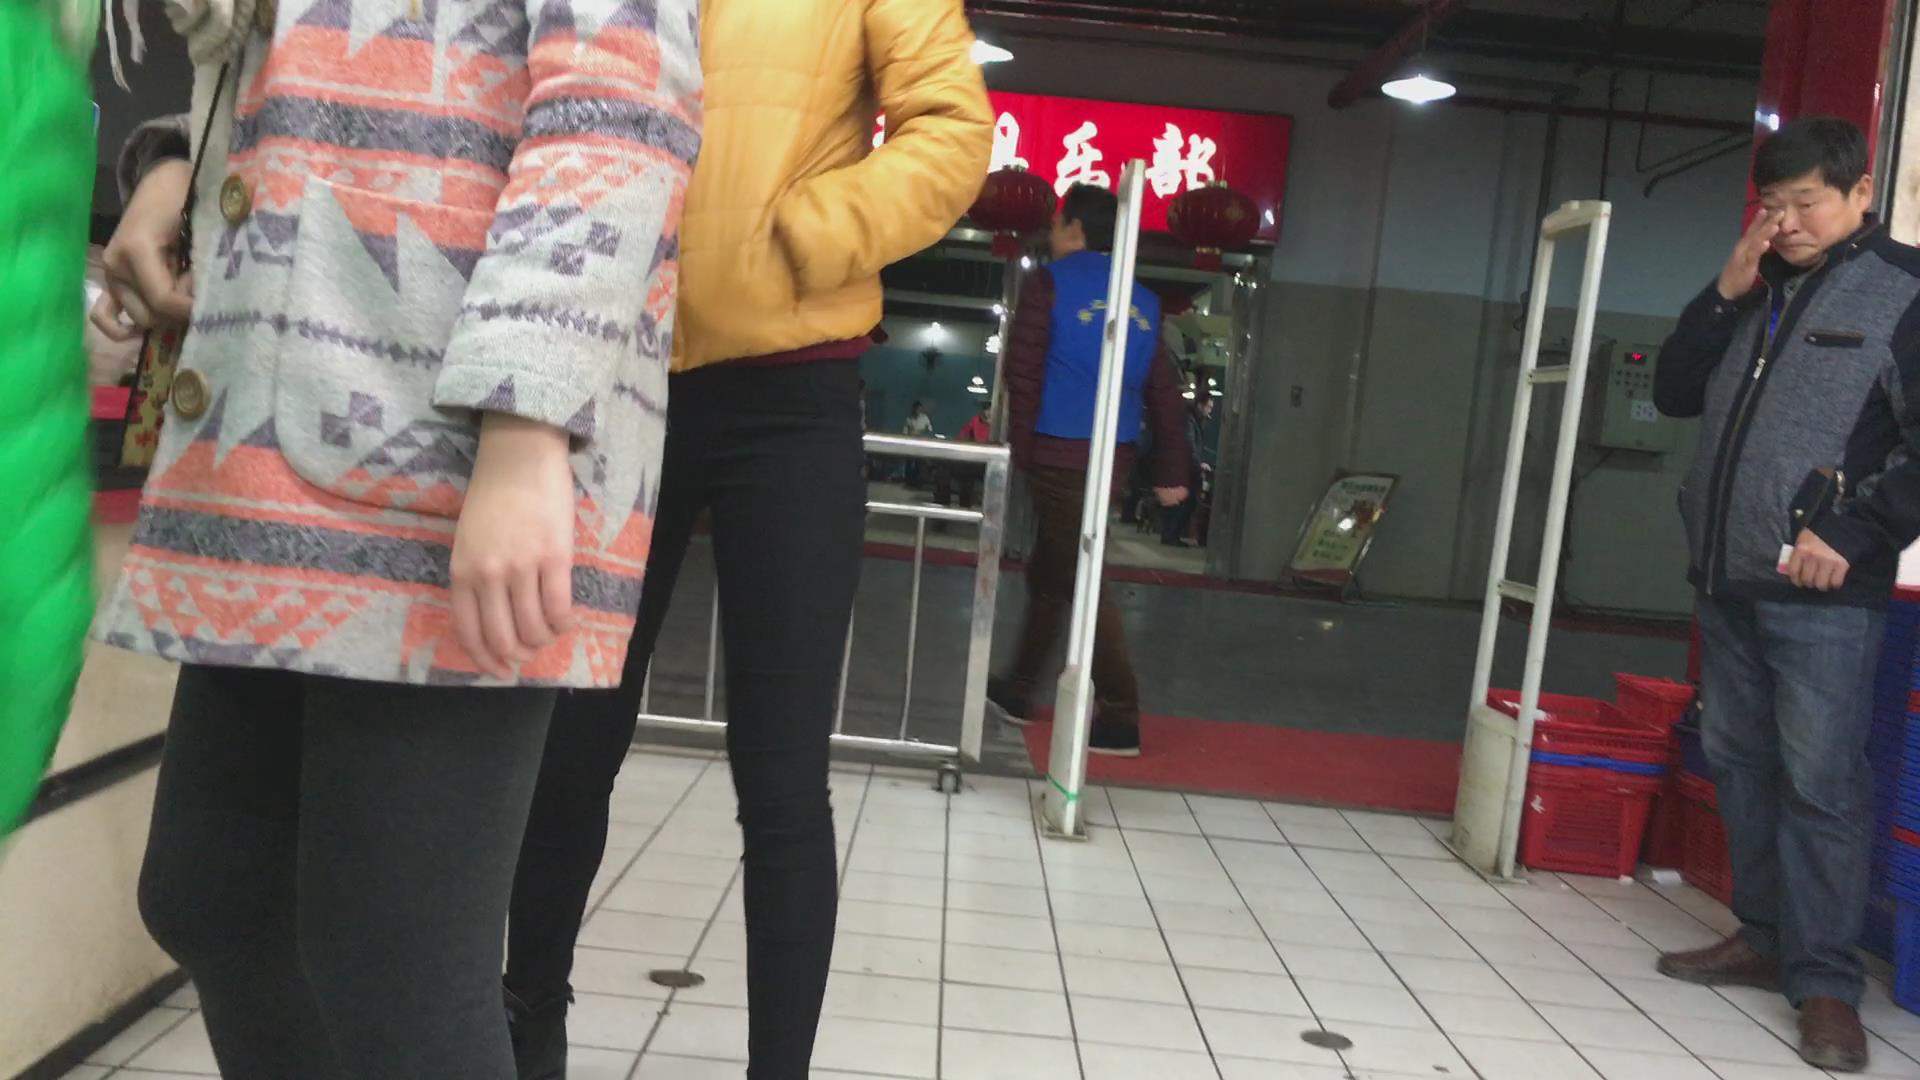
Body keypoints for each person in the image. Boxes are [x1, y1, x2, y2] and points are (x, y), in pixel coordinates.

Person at [88, 3, 701, 1076]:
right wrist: (178, 162)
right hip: (276, 432)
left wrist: (526, 420)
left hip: (441, 448)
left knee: (394, 965)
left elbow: (617, 101)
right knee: (217, 898)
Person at [501, 4, 991, 1079]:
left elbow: (954, 131)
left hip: (791, 393)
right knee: (569, 745)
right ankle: (526, 1027)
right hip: (616, 376)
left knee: (781, 779)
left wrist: (808, 232)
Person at [1651, 116, 1920, 1074]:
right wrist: (1722, 294)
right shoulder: (1755, 289)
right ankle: (1762, 936)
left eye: (1807, 202)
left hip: (1823, 596)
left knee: (1822, 785)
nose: (1789, 222)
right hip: (1728, 577)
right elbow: (1674, 392)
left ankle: (1826, 984)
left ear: (1859, 194)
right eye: (1774, 205)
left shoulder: (1905, 290)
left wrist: (1853, 531)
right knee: (1740, 762)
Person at [987, 184, 1190, 758]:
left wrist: (1022, 450)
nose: (1052, 234)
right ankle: (1019, 688)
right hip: (1113, 454)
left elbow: (1023, 372)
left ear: (1075, 229)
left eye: (1057, 225)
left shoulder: (1047, 285)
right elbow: (1164, 393)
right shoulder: (1144, 299)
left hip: (1059, 450)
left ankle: (1121, 715)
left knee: (1081, 577)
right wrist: (1173, 469)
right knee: (1053, 571)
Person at [1161, 394, 1213, 547]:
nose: (1210, 411)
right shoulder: (1190, 422)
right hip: (1185, 468)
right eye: (1208, 407)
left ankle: (1169, 535)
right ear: (1200, 406)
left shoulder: (1190, 419)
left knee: (1178, 502)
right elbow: (1189, 446)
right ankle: (1171, 535)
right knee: (1186, 502)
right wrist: (1198, 465)